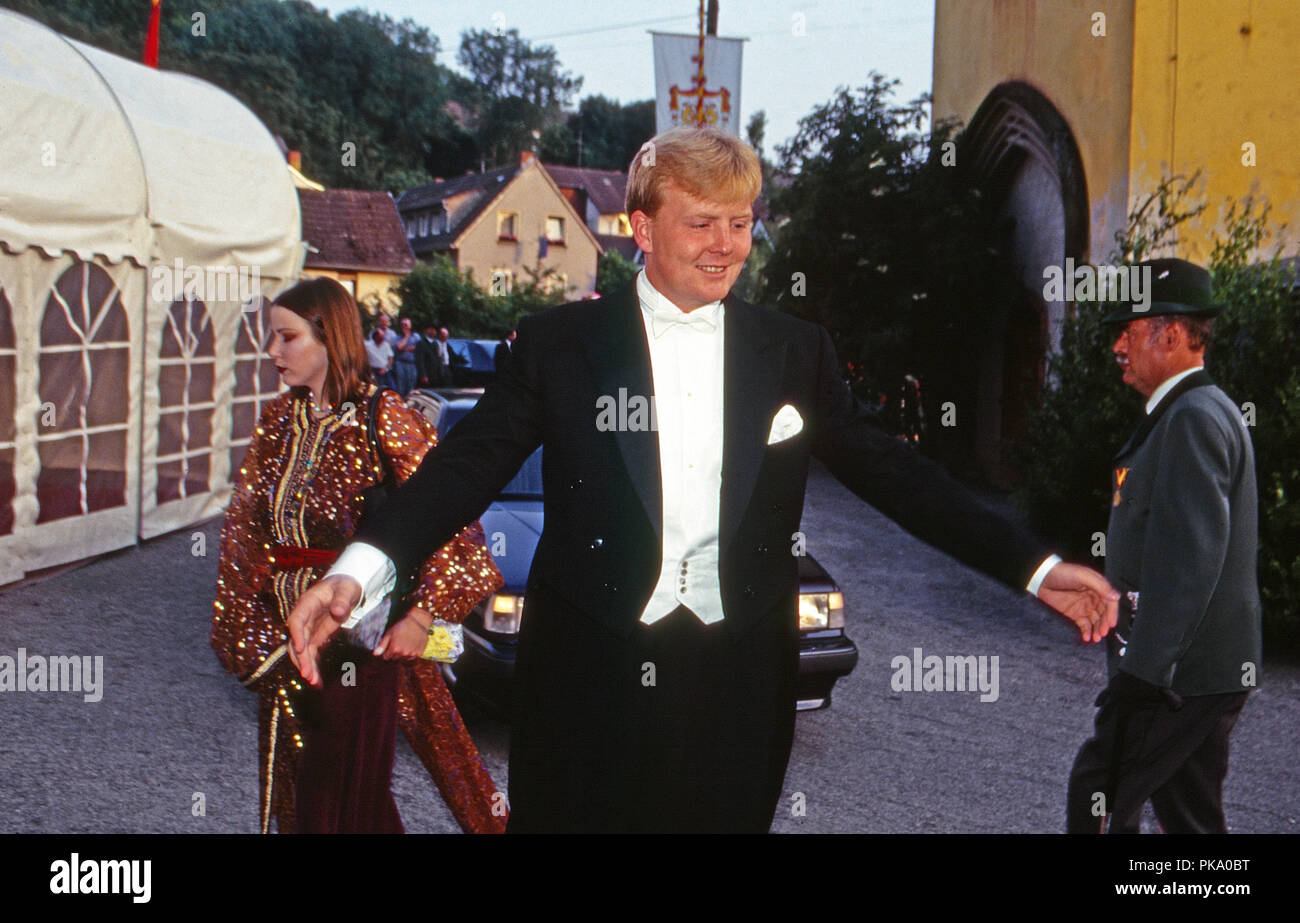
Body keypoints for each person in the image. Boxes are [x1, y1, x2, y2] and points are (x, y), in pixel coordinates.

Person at [288, 127, 1118, 833]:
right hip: (588, 677)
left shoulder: (795, 351)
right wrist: (359, 569)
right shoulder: (559, 346)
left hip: (739, 679)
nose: (726, 244)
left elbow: (898, 475)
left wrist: (1035, 566)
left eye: (741, 222)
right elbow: (463, 470)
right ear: (640, 227)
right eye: (701, 223)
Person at [210, 277, 506, 834]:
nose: (272, 351)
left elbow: (452, 517)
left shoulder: (383, 415)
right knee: (320, 800)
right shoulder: (277, 422)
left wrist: (423, 616)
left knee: (335, 796)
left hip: (360, 645)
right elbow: (244, 530)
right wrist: (246, 627)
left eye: (286, 337)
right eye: (271, 337)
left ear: (331, 337)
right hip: (287, 645)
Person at [1066, 258, 1260, 834]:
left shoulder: (1191, 418)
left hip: (1174, 676)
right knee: (1189, 817)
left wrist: (1141, 672)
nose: (1117, 345)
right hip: (1200, 671)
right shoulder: (1195, 411)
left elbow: (1189, 562)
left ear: (1172, 334)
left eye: (1131, 329)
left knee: (1099, 790)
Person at [391, 317, 421, 395]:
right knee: (400, 386)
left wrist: (404, 348)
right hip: (400, 363)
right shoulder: (397, 337)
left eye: (406, 324)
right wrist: (407, 337)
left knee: (411, 385)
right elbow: (399, 347)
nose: (404, 326)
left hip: (412, 364)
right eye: (402, 325)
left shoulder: (416, 336)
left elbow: (418, 348)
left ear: (410, 326)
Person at [364, 326, 394, 391]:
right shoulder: (368, 345)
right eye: (381, 336)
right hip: (373, 371)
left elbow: (391, 358)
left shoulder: (386, 345)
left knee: (391, 389)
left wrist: (385, 369)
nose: (383, 338)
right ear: (375, 337)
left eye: (383, 336)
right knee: (375, 390)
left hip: (385, 371)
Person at [416, 323, 443, 388]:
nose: (433, 331)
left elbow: (438, 358)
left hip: (435, 375)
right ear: (426, 331)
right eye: (431, 329)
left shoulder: (435, 344)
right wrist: (423, 375)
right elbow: (420, 361)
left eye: (434, 330)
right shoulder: (421, 343)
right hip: (426, 375)